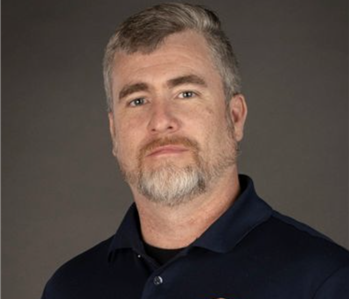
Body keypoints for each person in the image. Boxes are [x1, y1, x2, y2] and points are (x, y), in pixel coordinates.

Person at [41, 3, 349, 298]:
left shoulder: (325, 279)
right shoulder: (70, 287)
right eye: (137, 100)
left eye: (186, 93)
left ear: (235, 117)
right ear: (114, 132)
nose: (161, 121)